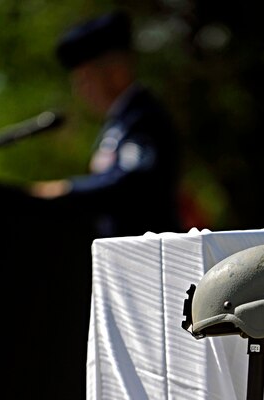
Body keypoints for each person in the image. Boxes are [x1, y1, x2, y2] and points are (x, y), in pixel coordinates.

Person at [31, 9, 183, 238]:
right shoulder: (119, 122)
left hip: (151, 257)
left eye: (85, 79)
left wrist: (66, 190)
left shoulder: (143, 117)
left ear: (116, 72)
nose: (80, 91)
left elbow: (134, 183)